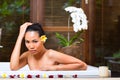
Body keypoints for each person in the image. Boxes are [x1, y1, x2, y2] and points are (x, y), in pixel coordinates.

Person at [10, 22, 87, 71]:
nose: (31, 46)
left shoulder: (51, 54)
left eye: (35, 41)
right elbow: (13, 67)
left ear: (43, 39)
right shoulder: (27, 56)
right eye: (27, 42)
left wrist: (53, 68)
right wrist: (20, 36)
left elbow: (82, 65)